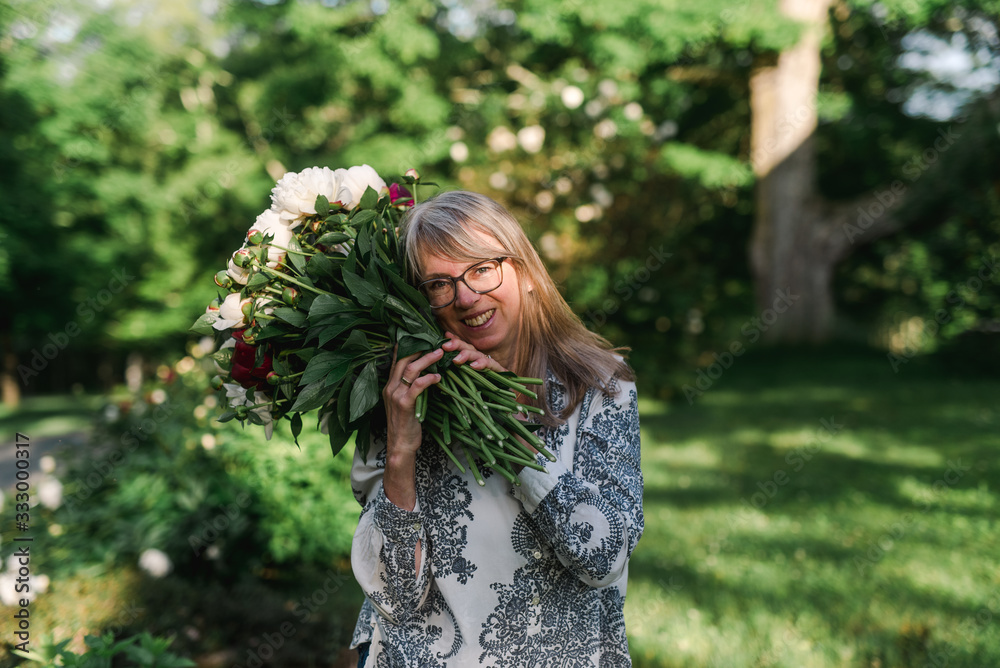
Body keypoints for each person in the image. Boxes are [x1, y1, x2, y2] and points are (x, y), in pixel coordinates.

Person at [349, 191, 644, 667]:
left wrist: (506, 419)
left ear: (524, 270)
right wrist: (401, 453)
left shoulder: (598, 386)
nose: (466, 297)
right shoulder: (401, 397)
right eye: (438, 285)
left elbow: (601, 558)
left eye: (482, 269)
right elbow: (396, 598)